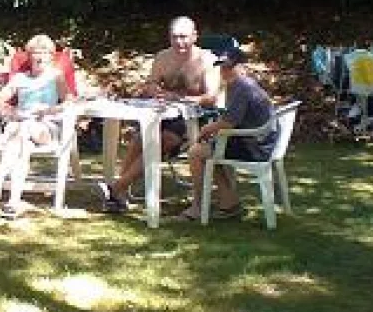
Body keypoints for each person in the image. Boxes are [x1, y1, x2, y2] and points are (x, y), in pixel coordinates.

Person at [96, 16, 220, 213]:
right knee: (140, 139)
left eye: (184, 37)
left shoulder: (206, 59)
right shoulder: (162, 57)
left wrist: (179, 98)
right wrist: (155, 91)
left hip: (195, 119)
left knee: (162, 140)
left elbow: (211, 97)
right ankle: (119, 194)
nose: (179, 42)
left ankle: (116, 188)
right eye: (174, 37)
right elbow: (151, 84)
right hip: (165, 114)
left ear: (195, 36)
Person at [178, 46, 276, 221]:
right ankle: (228, 202)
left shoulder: (242, 87)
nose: (225, 71)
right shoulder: (241, 84)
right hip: (261, 140)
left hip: (255, 146)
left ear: (241, 67)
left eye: (229, 67)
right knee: (208, 150)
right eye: (222, 67)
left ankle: (197, 207)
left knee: (195, 153)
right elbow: (231, 120)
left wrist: (206, 130)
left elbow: (228, 123)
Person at [0, 34, 74, 218]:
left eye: (45, 52)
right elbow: (0, 100)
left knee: (21, 131)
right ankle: (13, 203)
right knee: (22, 145)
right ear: (30, 55)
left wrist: (50, 110)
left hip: (45, 126)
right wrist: (10, 111)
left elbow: (69, 101)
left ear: (51, 56)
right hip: (21, 128)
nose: (40, 56)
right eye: (36, 52)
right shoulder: (19, 78)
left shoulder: (55, 76)